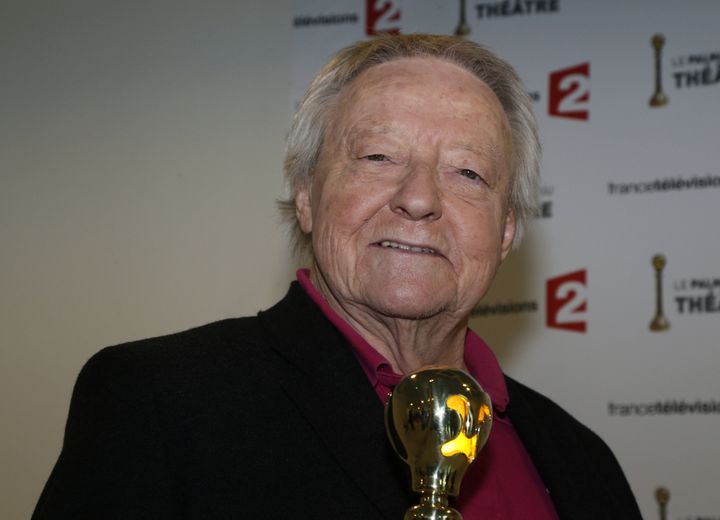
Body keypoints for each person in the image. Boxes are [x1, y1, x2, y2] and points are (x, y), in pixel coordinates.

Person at [33, 34, 642, 519]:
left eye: (467, 173)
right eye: (378, 157)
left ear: (506, 230)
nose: (419, 199)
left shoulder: (584, 463)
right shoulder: (159, 404)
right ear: (306, 195)